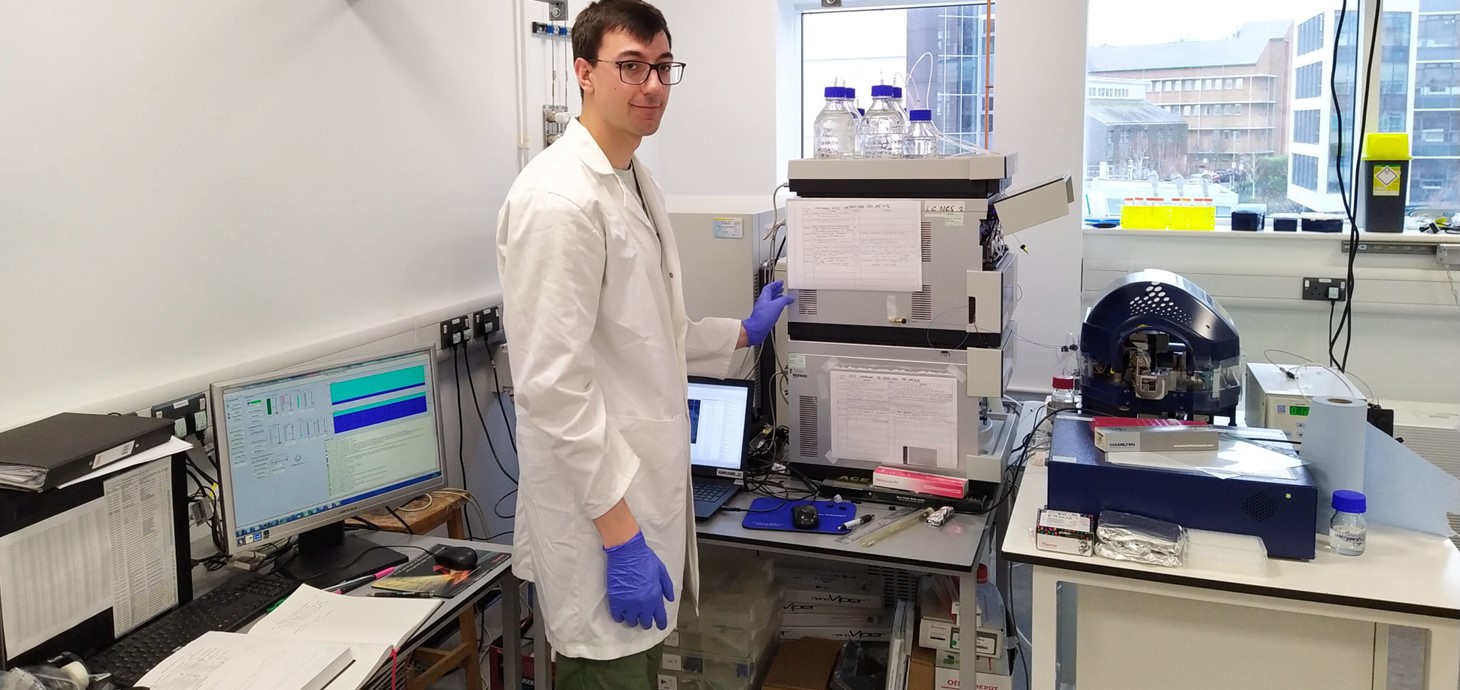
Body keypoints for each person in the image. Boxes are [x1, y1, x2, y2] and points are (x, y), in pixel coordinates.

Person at [494, 1, 795, 687]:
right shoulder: (558, 202)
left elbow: (649, 336)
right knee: (609, 673)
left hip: (640, 505)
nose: (651, 84)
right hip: (600, 527)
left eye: (662, 67)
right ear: (584, 73)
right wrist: (621, 534)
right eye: (630, 66)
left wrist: (742, 333)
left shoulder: (635, 178)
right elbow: (553, 391)